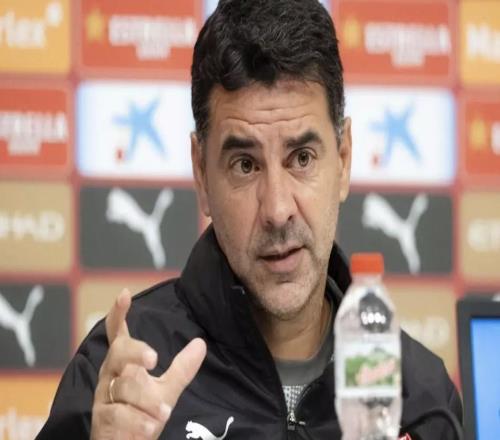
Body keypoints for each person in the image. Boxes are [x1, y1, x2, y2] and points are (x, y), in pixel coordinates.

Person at [38, 0, 462, 438]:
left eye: (301, 158)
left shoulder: (421, 399)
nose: (277, 210)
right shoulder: (118, 381)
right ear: (201, 174)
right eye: (245, 165)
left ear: (343, 159)